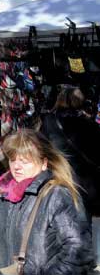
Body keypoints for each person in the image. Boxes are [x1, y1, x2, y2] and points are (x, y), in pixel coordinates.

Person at [0, 129, 95, 274]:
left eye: (25, 161)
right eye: (12, 160)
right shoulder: (3, 193)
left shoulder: (56, 195)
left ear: (44, 163)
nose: (16, 167)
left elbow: (78, 251)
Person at [39, 86, 100, 218]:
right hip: (88, 184)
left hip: (62, 179)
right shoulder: (87, 124)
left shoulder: (49, 121)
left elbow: (42, 149)